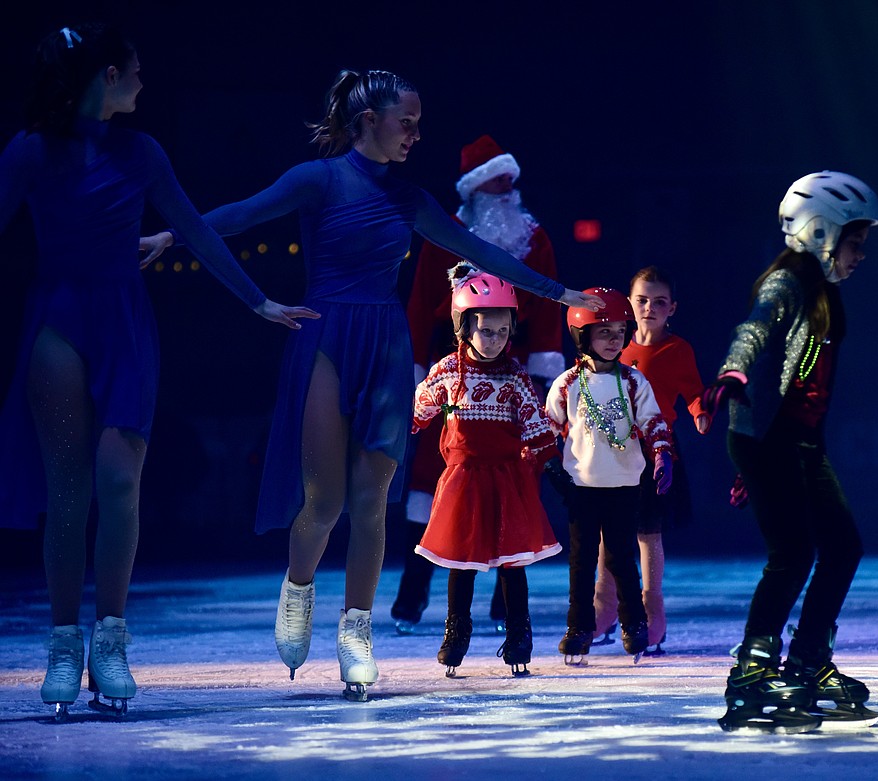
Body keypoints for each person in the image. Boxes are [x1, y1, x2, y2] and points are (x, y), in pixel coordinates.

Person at [140, 70, 600, 699]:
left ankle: (357, 630)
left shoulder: (409, 199)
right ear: (368, 121)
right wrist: (174, 232)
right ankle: (298, 589)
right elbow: (244, 214)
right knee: (324, 498)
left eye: (418, 122)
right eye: (405, 121)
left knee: (371, 497)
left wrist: (559, 291)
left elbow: (476, 249)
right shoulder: (318, 179)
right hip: (326, 335)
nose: (416, 133)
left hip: (384, 342)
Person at [0, 24, 314, 720]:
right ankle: (60, 641)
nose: (143, 84)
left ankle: (109, 638)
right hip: (56, 317)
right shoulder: (29, 151)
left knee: (119, 482)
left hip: (125, 324)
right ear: (106, 76)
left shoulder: (141, 151)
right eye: (135, 72)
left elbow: (197, 231)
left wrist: (257, 299)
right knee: (69, 489)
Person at [701, 171, 878, 734]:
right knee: (793, 553)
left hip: (792, 440)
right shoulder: (789, 281)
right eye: (855, 243)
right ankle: (752, 674)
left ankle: (806, 661)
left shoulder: (825, 292)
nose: (860, 255)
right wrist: (734, 374)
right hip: (768, 436)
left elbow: (810, 388)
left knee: (842, 546)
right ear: (821, 232)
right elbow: (753, 331)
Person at [392, 134, 564, 635]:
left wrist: (544, 375)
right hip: (456, 376)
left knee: (513, 486)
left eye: (510, 179)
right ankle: (413, 595)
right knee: (433, 485)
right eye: (495, 179)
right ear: (475, 188)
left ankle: (504, 606)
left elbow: (550, 309)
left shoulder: (535, 238)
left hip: (515, 374)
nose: (507, 187)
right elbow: (423, 303)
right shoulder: (446, 235)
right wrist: (419, 373)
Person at [412, 266, 561, 677]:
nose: (494, 340)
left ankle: (519, 633)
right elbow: (419, 410)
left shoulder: (515, 376)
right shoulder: (447, 371)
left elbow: (534, 423)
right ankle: (456, 631)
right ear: (464, 329)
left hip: (508, 479)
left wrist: (553, 465)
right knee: (463, 561)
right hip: (464, 479)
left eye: (502, 331)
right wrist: (405, 417)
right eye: (485, 330)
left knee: (512, 561)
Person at [544, 288, 673, 664]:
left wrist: (663, 454)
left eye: (620, 331)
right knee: (582, 562)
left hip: (623, 486)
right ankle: (579, 627)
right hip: (582, 487)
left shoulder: (633, 381)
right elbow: (547, 427)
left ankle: (634, 626)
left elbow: (653, 422)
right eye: (604, 332)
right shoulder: (568, 383)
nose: (614, 339)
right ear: (583, 336)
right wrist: (543, 461)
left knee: (621, 559)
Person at [592, 266, 708, 655]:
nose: (649, 308)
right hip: (614, 449)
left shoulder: (678, 350)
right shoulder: (614, 345)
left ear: (672, 307)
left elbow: (694, 393)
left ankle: (650, 614)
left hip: (657, 452)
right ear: (629, 303)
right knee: (608, 533)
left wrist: (699, 413)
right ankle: (603, 609)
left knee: (646, 533)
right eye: (642, 300)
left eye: (659, 302)